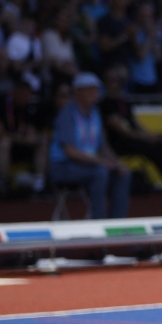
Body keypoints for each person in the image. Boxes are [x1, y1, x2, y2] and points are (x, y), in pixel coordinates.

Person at [49, 72, 131, 218]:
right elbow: (70, 152)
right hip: (64, 166)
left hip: (87, 165)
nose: (95, 93)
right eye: (89, 90)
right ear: (77, 92)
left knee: (123, 173)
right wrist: (102, 162)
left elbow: (103, 147)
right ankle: (99, 222)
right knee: (101, 172)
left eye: (96, 89)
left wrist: (116, 163)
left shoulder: (95, 113)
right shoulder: (67, 114)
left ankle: (117, 223)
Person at [0, 78, 48, 193]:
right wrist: (23, 140)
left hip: (17, 146)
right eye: (24, 94)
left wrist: (32, 135)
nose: (26, 97)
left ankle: (39, 181)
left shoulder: (28, 106)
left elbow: (34, 128)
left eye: (28, 94)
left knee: (42, 141)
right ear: (15, 92)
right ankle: (2, 180)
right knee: (5, 142)